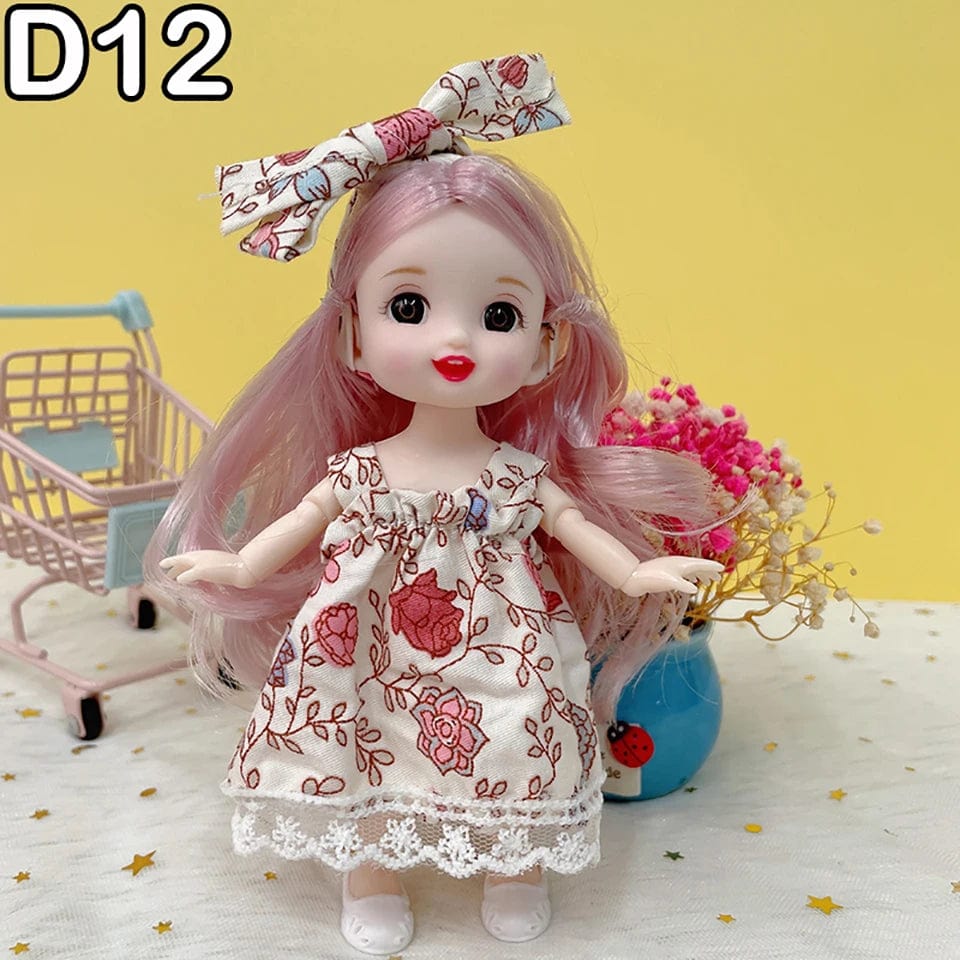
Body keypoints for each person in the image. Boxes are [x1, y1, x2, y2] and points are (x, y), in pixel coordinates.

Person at [151, 55, 720, 955]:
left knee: (517, 731)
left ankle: (514, 865)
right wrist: (238, 564)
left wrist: (639, 571)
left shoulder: (515, 476)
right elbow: (298, 524)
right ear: (351, 334)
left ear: (544, 348)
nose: (454, 338)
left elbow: (573, 525)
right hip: (366, 646)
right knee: (363, 737)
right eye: (409, 305)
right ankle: (370, 874)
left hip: (502, 649)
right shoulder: (360, 472)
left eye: (498, 316)